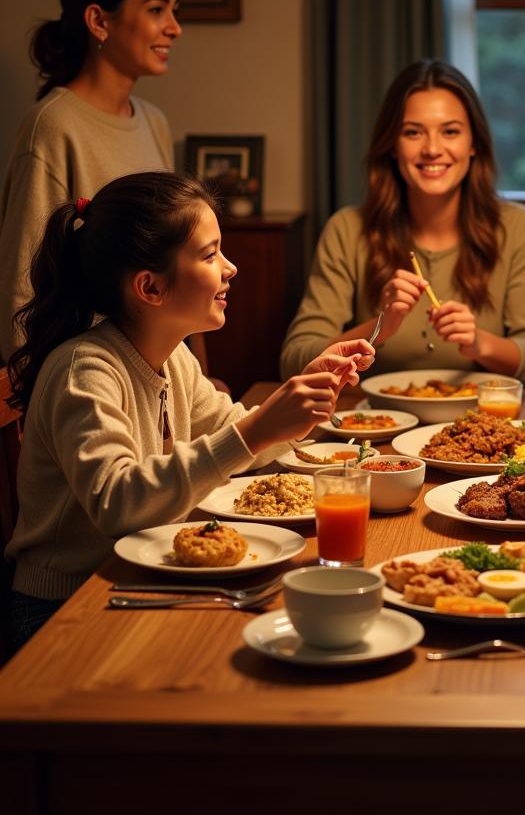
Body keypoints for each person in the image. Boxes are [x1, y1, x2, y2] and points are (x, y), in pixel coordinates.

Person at [4, 172, 374, 652]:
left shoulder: (172, 356)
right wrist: (258, 429)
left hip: (136, 578)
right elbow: (118, 503)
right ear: (150, 288)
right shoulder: (85, 370)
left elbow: (231, 431)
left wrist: (300, 401)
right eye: (210, 254)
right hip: (65, 607)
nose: (231, 267)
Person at [280, 59, 525, 387]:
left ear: (473, 145)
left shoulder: (516, 228)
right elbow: (295, 363)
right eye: (413, 132)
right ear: (393, 146)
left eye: (450, 131)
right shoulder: (347, 229)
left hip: (483, 426)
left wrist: (479, 344)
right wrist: (381, 326)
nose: (432, 149)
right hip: (375, 427)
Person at [0, 0, 184, 362]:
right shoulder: (52, 127)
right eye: (157, 9)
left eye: (175, 10)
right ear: (99, 21)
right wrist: (49, 401)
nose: (174, 27)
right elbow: (21, 296)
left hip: (155, 373)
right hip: (89, 382)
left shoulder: (153, 121)